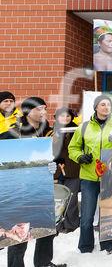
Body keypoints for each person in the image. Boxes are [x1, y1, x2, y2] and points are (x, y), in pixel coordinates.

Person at [3, 96, 66, 267]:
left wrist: (55, 163)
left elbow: (57, 155)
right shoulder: (13, 133)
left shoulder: (49, 132)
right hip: (20, 193)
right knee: (20, 233)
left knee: (47, 231)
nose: (43, 112)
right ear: (27, 112)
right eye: (38, 109)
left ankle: (43, 263)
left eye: (44, 108)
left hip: (43, 188)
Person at [68, 95, 112, 254]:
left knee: (107, 214)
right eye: (102, 104)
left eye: (108, 105)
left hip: (109, 176)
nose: (106, 107)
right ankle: (86, 247)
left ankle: (107, 246)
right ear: (96, 107)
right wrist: (80, 157)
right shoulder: (84, 127)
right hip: (89, 177)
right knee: (87, 216)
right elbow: (73, 148)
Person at [52, 107, 80, 233]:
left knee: (71, 200)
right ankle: (56, 225)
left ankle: (71, 225)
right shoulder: (51, 131)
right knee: (57, 201)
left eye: (68, 116)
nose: (65, 118)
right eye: (62, 116)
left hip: (73, 170)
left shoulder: (77, 130)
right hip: (56, 171)